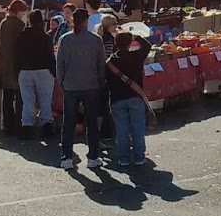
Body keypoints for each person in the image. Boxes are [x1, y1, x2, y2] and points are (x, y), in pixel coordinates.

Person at [55, 9, 107, 170]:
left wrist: (61, 81)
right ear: (86, 21)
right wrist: (101, 82)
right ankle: (93, 156)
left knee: (69, 122)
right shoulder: (96, 40)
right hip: (91, 84)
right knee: (91, 122)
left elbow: (60, 64)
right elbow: (101, 64)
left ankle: (66, 157)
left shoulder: (65, 39)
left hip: (71, 85)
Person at [105, 30, 152, 168]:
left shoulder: (110, 62)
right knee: (138, 129)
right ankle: (139, 157)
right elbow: (147, 46)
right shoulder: (137, 56)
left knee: (121, 130)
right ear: (130, 43)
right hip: (135, 96)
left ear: (116, 43)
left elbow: (106, 81)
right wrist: (137, 36)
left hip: (117, 98)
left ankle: (123, 158)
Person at [17, 9, 57, 137]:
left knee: (28, 100)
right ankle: (46, 125)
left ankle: (27, 126)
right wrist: (54, 73)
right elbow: (50, 56)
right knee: (45, 100)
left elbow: (17, 55)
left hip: (25, 71)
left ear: (29, 21)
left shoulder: (21, 36)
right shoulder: (45, 37)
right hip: (43, 70)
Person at [0, 0, 28, 136]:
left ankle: (8, 126)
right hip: (16, 64)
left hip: (4, 62)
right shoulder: (19, 24)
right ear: (18, 11)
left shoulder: (4, 23)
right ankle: (19, 125)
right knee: (20, 97)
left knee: (7, 97)